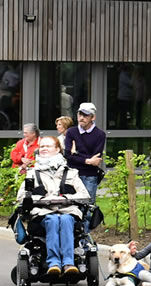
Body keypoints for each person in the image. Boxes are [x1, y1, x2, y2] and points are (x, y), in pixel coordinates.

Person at [17, 136, 90, 276]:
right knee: (53, 220)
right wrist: (43, 199)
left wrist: (66, 198)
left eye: (48, 146)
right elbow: (21, 196)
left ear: (57, 149)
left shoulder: (71, 173)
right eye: (42, 146)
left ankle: (68, 263)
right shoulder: (32, 173)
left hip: (67, 210)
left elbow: (85, 195)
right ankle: (54, 263)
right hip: (43, 212)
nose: (43, 149)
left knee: (65, 219)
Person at [63, 102, 105, 203]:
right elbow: (67, 155)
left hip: (89, 176)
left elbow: (96, 159)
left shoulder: (100, 134)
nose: (81, 118)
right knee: (70, 205)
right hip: (72, 174)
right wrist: (87, 160)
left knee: (88, 207)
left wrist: (76, 153)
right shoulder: (71, 132)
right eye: (80, 114)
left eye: (85, 115)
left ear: (93, 117)